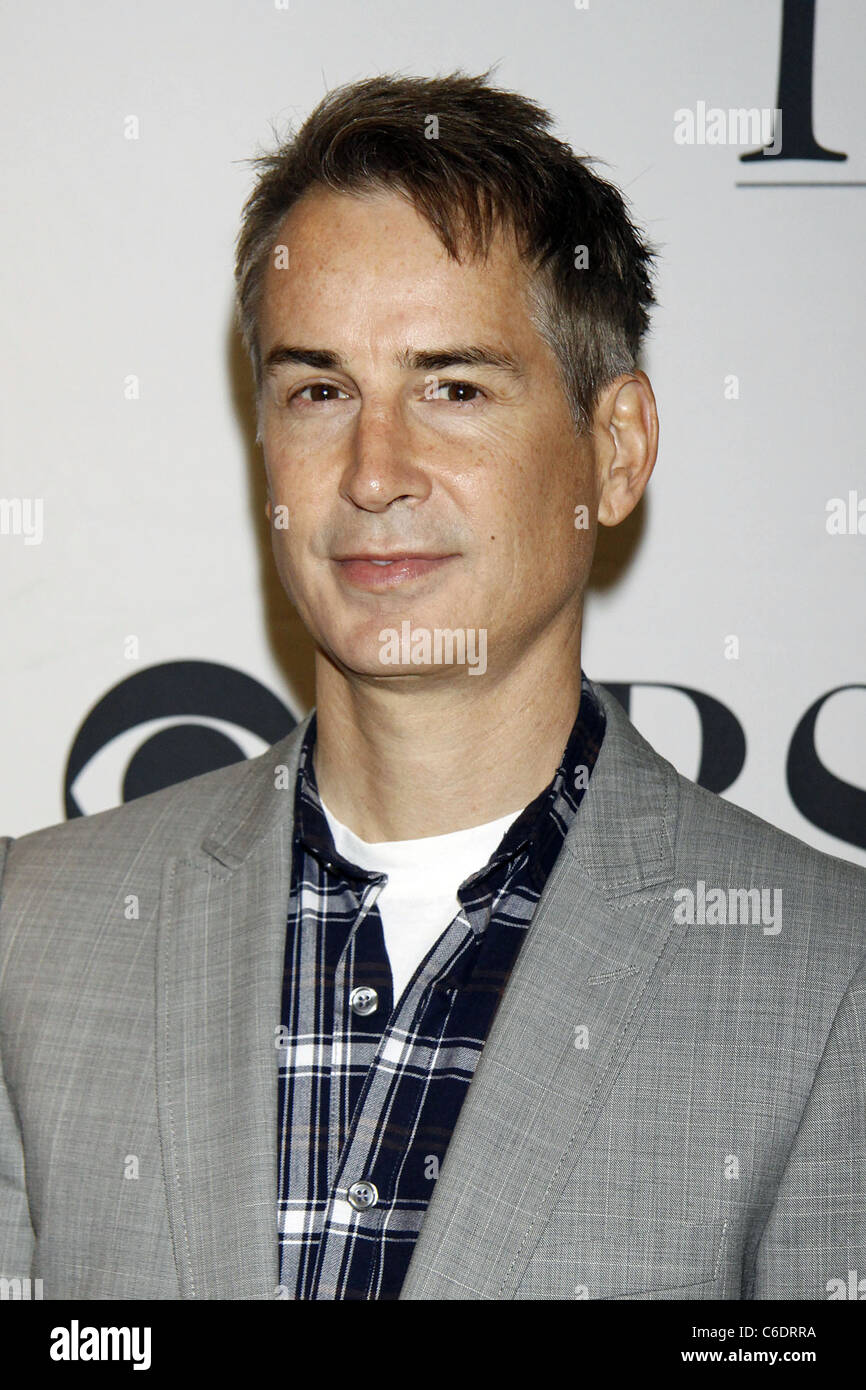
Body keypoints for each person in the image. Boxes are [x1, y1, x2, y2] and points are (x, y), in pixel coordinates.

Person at [1, 71, 864, 1302]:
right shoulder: (34, 934)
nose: (372, 471)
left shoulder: (828, 980)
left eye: (451, 387)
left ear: (613, 450)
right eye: (320, 390)